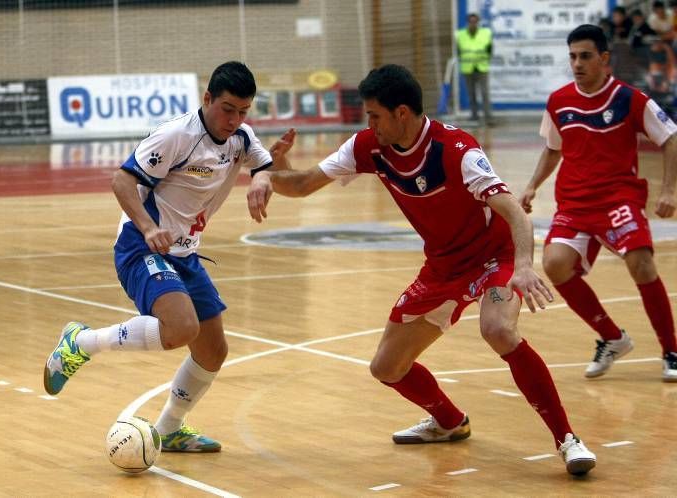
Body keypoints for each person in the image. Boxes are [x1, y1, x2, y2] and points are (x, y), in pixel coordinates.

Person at [247, 64, 597, 475]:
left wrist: (522, 266)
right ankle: (449, 422)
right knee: (386, 367)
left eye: (374, 115)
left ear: (401, 114)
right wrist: (270, 174)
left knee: (498, 329)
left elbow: (514, 213)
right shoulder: (368, 147)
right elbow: (304, 184)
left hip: (493, 258)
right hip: (443, 267)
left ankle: (567, 439)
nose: (368, 124)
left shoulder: (456, 149)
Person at [43, 61, 293, 452]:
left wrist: (261, 181)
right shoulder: (177, 136)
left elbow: (264, 166)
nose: (235, 119)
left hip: (186, 255)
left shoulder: (241, 138)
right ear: (207, 98)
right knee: (181, 328)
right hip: (141, 246)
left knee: (213, 351)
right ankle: (81, 342)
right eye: (227, 109)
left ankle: (170, 428)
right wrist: (147, 226)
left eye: (243, 111)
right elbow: (121, 180)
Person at [520, 25, 677, 382]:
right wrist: (531, 186)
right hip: (574, 203)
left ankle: (671, 350)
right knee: (555, 265)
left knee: (641, 263)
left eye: (585, 56)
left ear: (605, 59)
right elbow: (552, 148)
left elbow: (670, 137)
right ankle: (611, 338)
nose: (577, 63)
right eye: (573, 56)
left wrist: (669, 190)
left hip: (618, 198)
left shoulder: (628, 98)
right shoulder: (559, 101)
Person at [456, 13, 493, 124]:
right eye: (471, 21)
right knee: (471, 94)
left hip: (482, 67)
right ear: (468, 22)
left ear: (478, 22)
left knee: (484, 93)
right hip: (468, 68)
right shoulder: (460, 35)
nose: (473, 24)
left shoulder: (485, 33)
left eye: (475, 21)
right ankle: (474, 115)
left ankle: (488, 117)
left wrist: (483, 59)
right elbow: (458, 51)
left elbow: (490, 49)